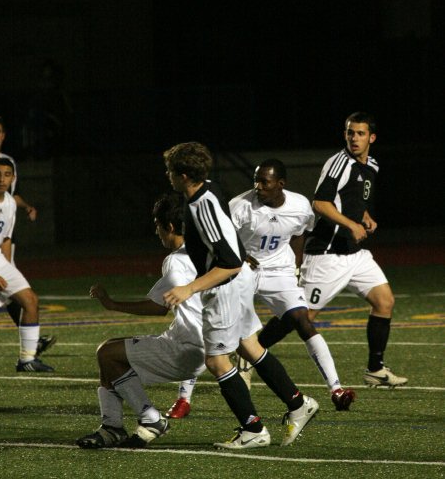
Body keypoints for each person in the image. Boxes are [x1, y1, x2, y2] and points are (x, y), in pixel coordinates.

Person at [167, 159, 355, 419]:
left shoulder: (300, 205)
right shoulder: (240, 206)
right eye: (255, 180)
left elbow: (300, 232)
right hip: (240, 271)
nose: (258, 186)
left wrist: (296, 265)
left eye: (264, 182)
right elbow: (221, 238)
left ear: (281, 184)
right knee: (209, 327)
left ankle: (335, 388)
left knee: (301, 318)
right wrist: (242, 256)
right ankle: (184, 398)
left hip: (278, 271)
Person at [162, 142, 319, 450]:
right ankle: (299, 404)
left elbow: (229, 262)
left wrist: (189, 288)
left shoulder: (199, 206)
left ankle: (253, 429)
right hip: (240, 279)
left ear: (182, 175)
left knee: (216, 360)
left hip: (226, 284)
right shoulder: (208, 188)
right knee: (250, 346)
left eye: (169, 171)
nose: (167, 176)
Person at [77, 192, 206, 449]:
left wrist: (112, 304)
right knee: (111, 355)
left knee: (107, 353)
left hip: (187, 346)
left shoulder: (176, 260)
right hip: (213, 347)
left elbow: (158, 307)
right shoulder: (209, 251)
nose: (156, 232)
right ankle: (111, 427)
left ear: (169, 226)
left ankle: (149, 419)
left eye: (158, 226)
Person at [299, 111, 407, 387]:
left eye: (360, 133)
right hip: (327, 254)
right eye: (350, 132)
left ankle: (375, 369)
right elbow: (320, 203)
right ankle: (249, 356)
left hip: (354, 254)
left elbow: (356, 199)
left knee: (384, 302)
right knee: (300, 317)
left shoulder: (371, 165)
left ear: (372, 137)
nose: (354, 138)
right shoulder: (339, 163)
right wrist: (351, 224)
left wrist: (365, 216)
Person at [0, 114, 56, 357]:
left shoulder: (8, 162)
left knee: (10, 287)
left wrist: (26, 205)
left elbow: (12, 194)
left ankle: (29, 340)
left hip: (1, 235)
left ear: (3, 136)